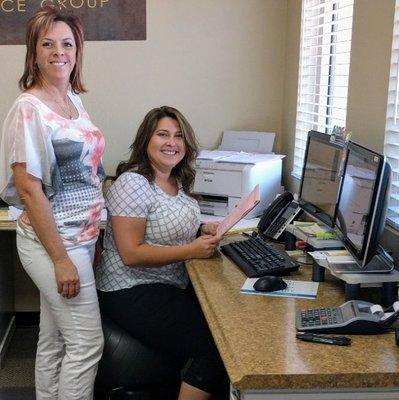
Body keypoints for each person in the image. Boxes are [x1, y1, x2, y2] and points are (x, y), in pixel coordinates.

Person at [0, 6, 105, 400]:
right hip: (55, 242)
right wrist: (62, 258)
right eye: (47, 44)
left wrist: (93, 233)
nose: (58, 51)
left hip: (80, 237)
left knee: (56, 338)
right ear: (34, 52)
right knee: (86, 344)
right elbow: (29, 190)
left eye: (66, 43)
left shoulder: (73, 100)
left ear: (77, 51)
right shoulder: (29, 108)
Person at [95, 106, 228, 400]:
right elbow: (132, 253)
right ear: (146, 140)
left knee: (227, 321)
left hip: (167, 284)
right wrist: (191, 250)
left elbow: (167, 226)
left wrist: (201, 229)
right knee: (217, 346)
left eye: (179, 136)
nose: (172, 142)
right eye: (163, 135)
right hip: (129, 289)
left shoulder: (175, 181)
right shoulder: (134, 183)